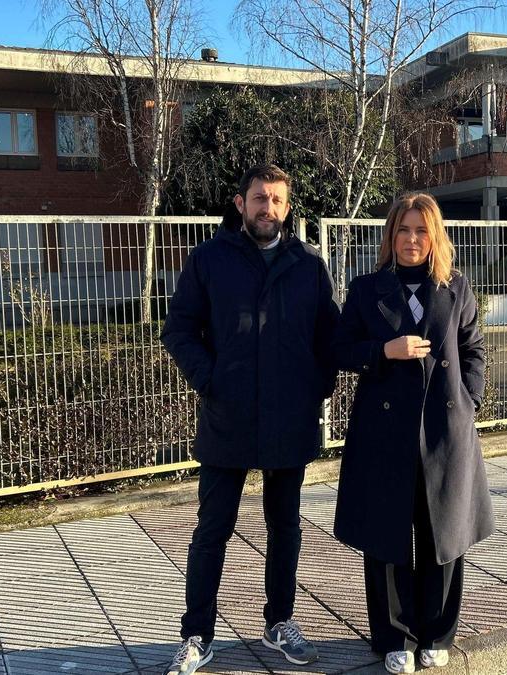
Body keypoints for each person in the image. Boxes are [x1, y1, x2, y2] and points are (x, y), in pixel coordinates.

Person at [160, 164, 339, 675]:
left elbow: (329, 337)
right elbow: (178, 331)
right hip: (228, 420)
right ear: (240, 203)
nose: (268, 208)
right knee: (211, 530)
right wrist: (212, 381)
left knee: (285, 527)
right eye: (259, 198)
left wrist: (315, 390)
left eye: (278, 200)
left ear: (287, 206)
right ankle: (197, 635)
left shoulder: (307, 264)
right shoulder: (209, 261)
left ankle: (279, 621)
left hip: (289, 419)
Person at [331, 192, 494, 674]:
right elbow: (340, 350)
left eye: (421, 230)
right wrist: (385, 350)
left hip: (446, 430)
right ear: (390, 235)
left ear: (434, 236)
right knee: (387, 536)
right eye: (403, 229)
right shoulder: (366, 290)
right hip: (384, 433)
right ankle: (392, 636)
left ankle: (437, 632)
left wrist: (469, 401)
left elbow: (474, 349)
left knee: (443, 533)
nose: (411, 239)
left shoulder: (456, 288)